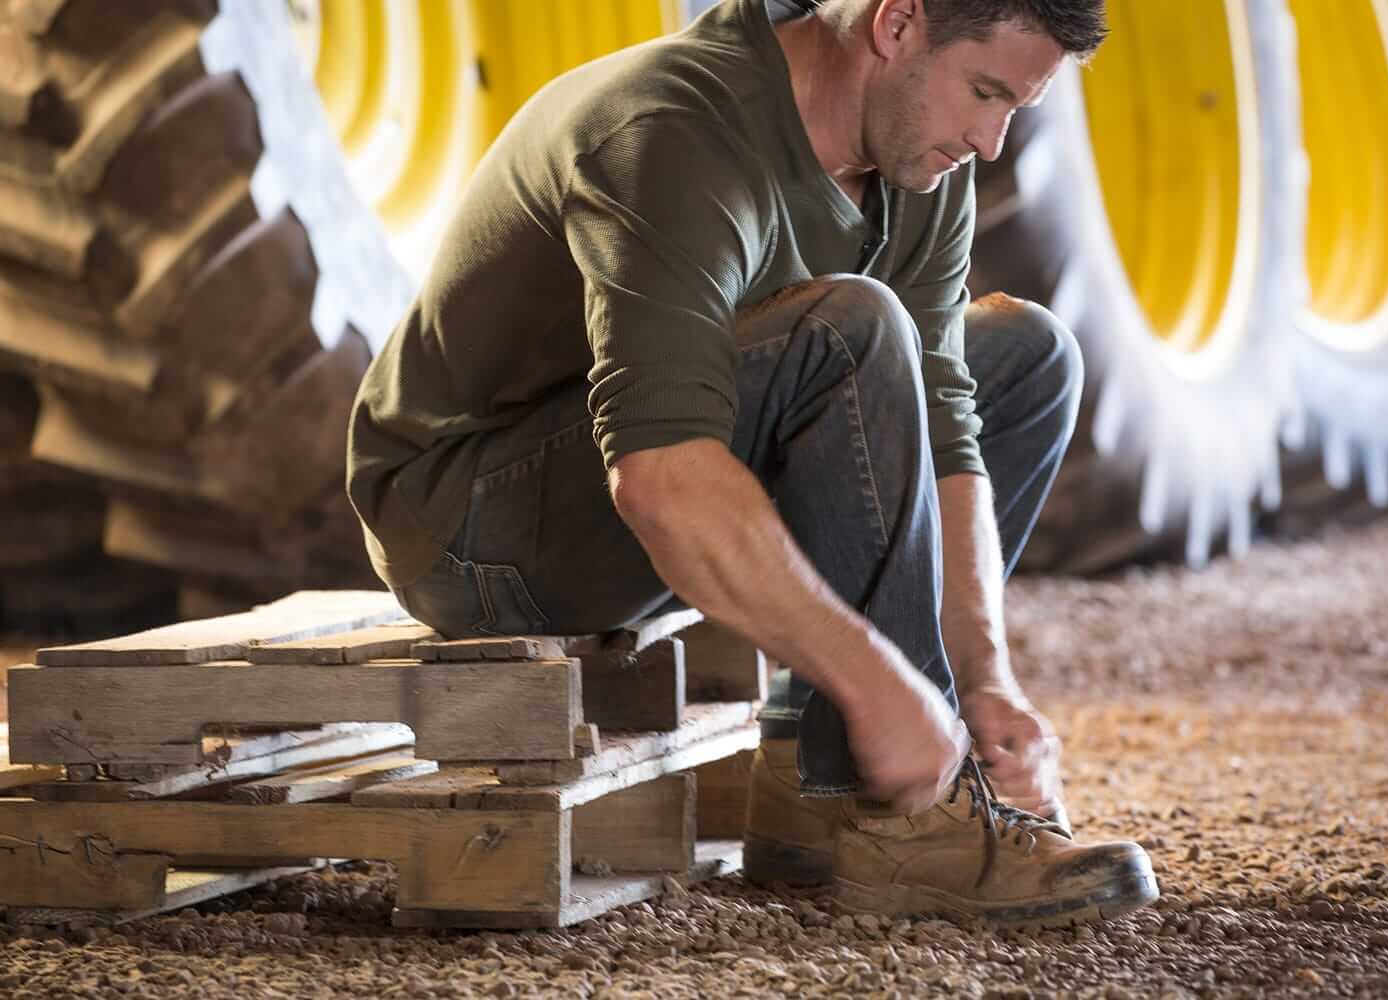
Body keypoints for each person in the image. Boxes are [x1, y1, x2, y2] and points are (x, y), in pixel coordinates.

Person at [347, 0, 1158, 927]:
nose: (989, 142)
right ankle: (905, 820)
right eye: (984, 93)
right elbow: (658, 478)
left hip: (646, 484)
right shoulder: (671, 133)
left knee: (1027, 357)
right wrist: (882, 685)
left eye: (1016, 107)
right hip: (469, 529)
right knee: (850, 329)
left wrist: (982, 678)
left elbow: (943, 424)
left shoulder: (918, 161)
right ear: (895, 24)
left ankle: (818, 783)